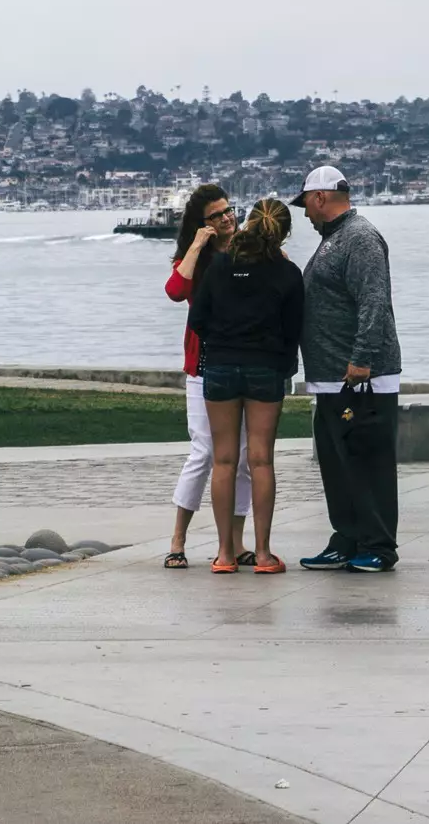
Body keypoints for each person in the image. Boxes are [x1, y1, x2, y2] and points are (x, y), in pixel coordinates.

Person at [295, 164, 403, 573]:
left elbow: (373, 301)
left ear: (320, 197)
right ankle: (346, 538)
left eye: (305, 201)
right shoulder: (334, 239)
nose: (304, 212)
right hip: (330, 377)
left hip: (360, 378)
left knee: (366, 460)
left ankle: (378, 544)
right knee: (337, 464)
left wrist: (361, 359)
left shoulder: (359, 238)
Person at [189, 197, 303, 575]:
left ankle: (224, 554)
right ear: (283, 232)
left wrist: (222, 341)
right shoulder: (287, 274)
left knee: (223, 459)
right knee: (260, 460)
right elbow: (293, 330)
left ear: (249, 224)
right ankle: (264, 554)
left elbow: (199, 319)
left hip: (220, 365)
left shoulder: (219, 266)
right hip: (265, 368)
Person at [164, 183, 254, 568]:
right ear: (202, 223)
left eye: (228, 210)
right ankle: (178, 539)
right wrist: (197, 246)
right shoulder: (196, 260)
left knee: (245, 456)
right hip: (203, 367)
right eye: (217, 215)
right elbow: (174, 289)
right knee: (204, 451)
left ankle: (235, 541)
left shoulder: (247, 250)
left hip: (243, 363)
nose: (227, 217)